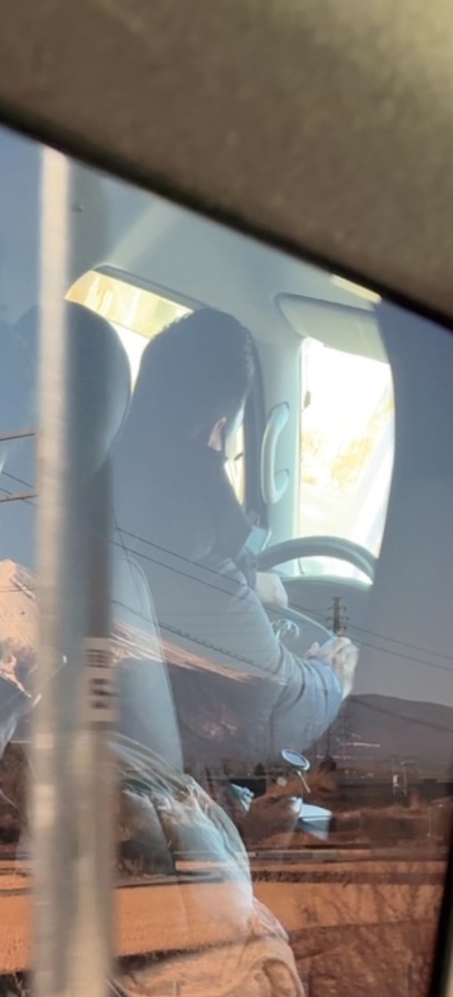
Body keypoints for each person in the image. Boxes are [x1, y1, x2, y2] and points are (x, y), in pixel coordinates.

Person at [111, 307, 357, 772]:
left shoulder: (104, 489)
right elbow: (277, 711)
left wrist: (246, 577)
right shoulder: (185, 548)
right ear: (219, 430)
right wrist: (332, 678)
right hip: (161, 777)